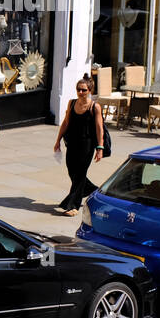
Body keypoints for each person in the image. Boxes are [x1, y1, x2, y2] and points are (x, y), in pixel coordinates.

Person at [52, 75, 106, 215]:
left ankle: (73, 206)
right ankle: (92, 190)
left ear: (89, 90)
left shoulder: (95, 107)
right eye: (78, 90)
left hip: (87, 145)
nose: (80, 92)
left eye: (83, 90)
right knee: (72, 171)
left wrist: (100, 148)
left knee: (80, 174)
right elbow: (65, 122)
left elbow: (99, 128)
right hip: (72, 143)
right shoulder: (72, 103)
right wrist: (58, 140)